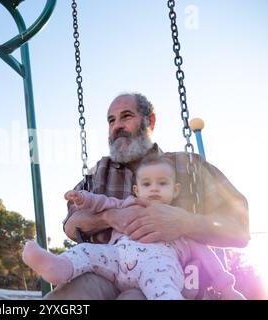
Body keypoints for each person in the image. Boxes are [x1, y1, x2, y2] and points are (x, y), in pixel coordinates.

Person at [43, 92, 250, 300]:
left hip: (174, 278)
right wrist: (108, 217)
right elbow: (71, 225)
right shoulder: (100, 172)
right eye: (111, 120)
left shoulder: (189, 167)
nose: (117, 126)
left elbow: (240, 230)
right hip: (107, 271)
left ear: (150, 121)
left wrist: (185, 222)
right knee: (64, 298)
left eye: (126, 116)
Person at [23, 155, 245, 299]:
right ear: (137, 190)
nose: (155, 189)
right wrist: (83, 198)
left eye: (162, 183)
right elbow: (99, 204)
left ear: (175, 190)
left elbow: (208, 255)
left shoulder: (178, 222)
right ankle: (59, 267)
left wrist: (227, 288)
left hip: (156, 271)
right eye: (147, 184)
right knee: (86, 252)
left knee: (163, 291)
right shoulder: (127, 202)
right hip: (117, 261)